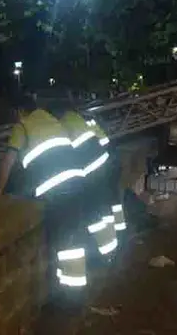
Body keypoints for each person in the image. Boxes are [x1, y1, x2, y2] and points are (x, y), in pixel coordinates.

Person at [0, 94, 89, 297]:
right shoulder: (50, 119)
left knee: (63, 244)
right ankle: (74, 294)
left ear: (18, 111)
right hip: (78, 182)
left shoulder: (22, 126)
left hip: (59, 190)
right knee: (73, 243)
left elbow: (8, 160)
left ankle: (68, 299)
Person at [57, 109, 120, 265]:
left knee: (95, 214)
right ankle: (112, 250)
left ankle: (105, 254)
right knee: (106, 210)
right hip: (106, 162)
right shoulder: (82, 118)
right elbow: (104, 141)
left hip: (92, 169)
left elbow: (67, 154)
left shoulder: (61, 124)